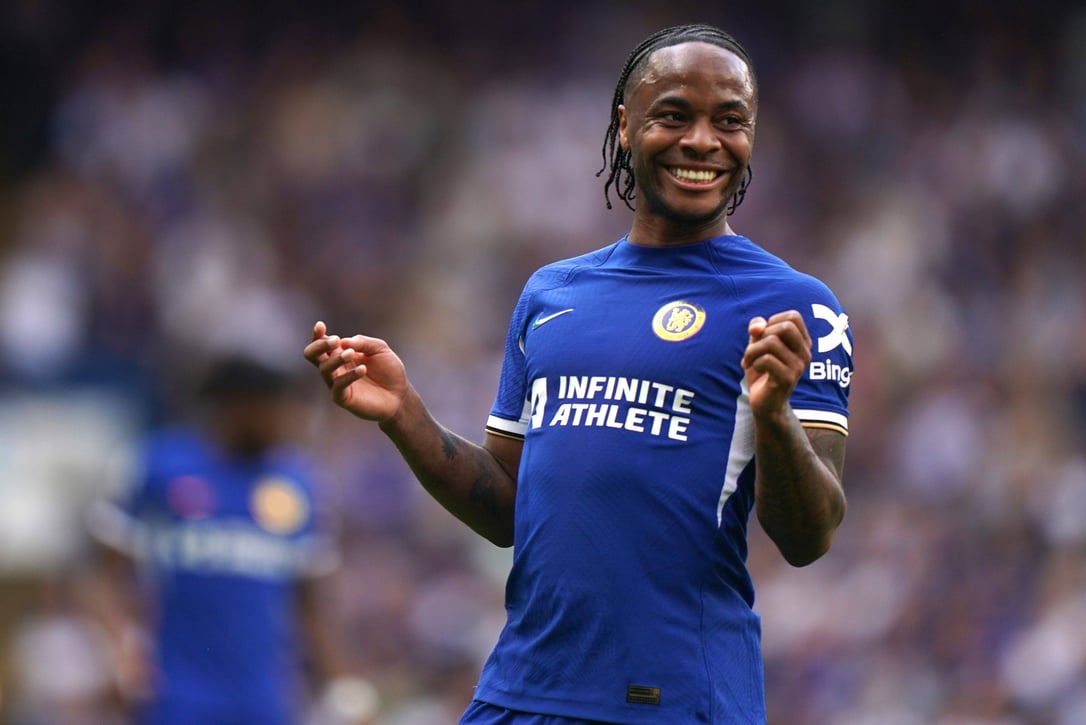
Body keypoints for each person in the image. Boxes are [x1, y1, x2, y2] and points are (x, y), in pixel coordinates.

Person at [304, 23, 852, 725]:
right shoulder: (552, 293)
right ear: (625, 126)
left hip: (672, 700)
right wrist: (405, 413)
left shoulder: (794, 305)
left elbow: (810, 537)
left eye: (729, 121)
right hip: (518, 690)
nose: (702, 141)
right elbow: (507, 509)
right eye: (674, 115)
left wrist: (773, 415)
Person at [87, 355, 377, 725]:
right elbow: (103, 573)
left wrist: (344, 687)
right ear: (240, 408)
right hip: (174, 693)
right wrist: (120, 649)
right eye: (279, 410)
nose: (290, 423)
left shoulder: (299, 484)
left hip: (264, 699)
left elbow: (312, 601)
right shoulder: (158, 465)